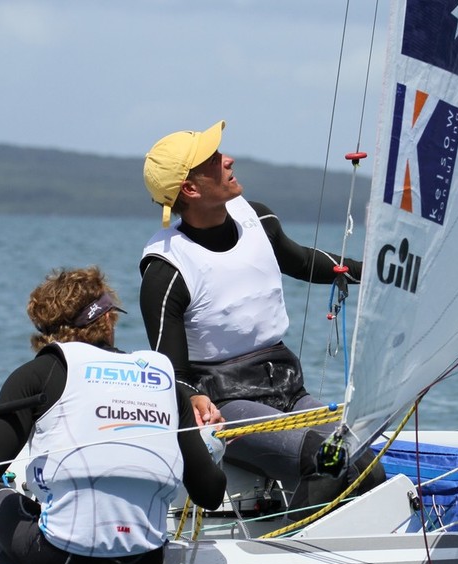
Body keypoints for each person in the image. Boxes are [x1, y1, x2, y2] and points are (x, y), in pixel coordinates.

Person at [0, 266, 226, 564]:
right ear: (107, 319)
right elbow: (209, 494)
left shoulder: (36, 375)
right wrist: (210, 451)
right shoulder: (165, 381)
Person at [139, 120, 385, 518]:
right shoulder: (166, 270)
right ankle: (291, 556)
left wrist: (375, 274)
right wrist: (193, 398)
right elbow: (170, 369)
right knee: (325, 461)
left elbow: (302, 260)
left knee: (364, 462)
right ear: (190, 189)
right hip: (226, 401)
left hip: (287, 383)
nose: (229, 159)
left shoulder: (257, 218)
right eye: (214, 159)